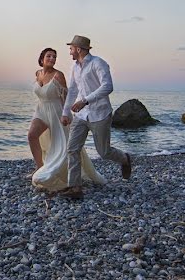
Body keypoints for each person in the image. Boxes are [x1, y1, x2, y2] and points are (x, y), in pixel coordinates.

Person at [60, 35, 132, 199]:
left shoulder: (98, 63)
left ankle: (125, 159)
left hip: (100, 113)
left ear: (78, 49)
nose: (69, 51)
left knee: (104, 152)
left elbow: (108, 86)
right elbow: (72, 90)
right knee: (72, 149)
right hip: (81, 115)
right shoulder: (75, 67)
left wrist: (85, 101)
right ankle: (75, 188)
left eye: (71, 48)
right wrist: (65, 112)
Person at [29, 47, 105, 192]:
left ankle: (64, 173)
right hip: (41, 110)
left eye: (54, 57)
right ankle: (39, 167)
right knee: (32, 136)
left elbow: (66, 97)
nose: (52, 59)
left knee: (62, 144)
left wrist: (67, 114)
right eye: (49, 56)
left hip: (57, 111)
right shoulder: (38, 74)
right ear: (42, 58)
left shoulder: (58, 75)